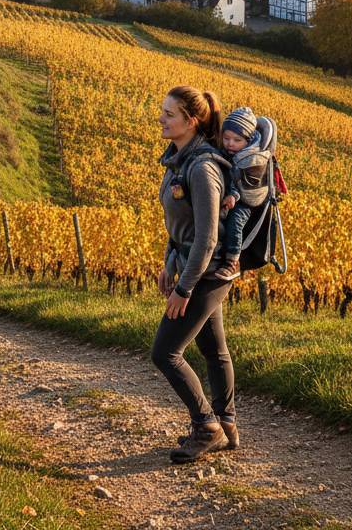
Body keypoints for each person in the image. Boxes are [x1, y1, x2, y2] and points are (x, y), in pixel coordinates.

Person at [152, 84, 240, 464]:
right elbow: (180, 227)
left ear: (190, 121)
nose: (161, 118)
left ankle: (207, 426)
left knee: (165, 352)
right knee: (213, 350)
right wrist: (168, 263)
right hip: (195, 267)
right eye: (163, 111)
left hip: (208, 272)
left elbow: (206, 238)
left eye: (169, 114)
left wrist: (184, 288)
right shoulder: (179, 160)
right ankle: (227, 425)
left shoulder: (202, 168)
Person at [214, 106, 272, 282]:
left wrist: (234, 196)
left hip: (246, 201)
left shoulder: (253, 160)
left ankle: (232, 261)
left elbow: (246, 187)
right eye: (226, 138)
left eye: (236, 140)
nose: (230, 143)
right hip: (232, 193)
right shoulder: (232, 151)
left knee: (235, 222)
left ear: (248, 140)